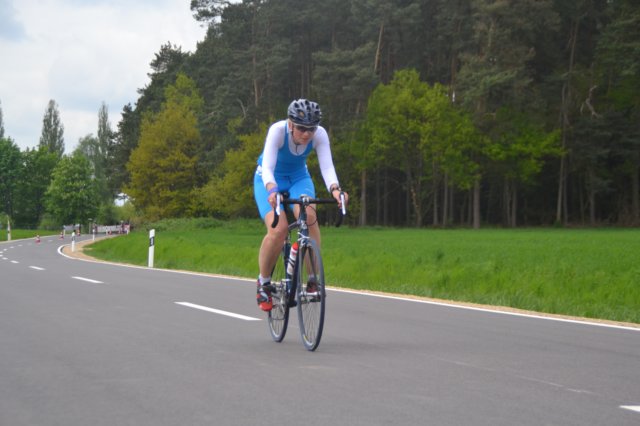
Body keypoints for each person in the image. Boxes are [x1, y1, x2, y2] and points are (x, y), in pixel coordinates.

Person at [253, 99, 348, 311]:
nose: (307, 134)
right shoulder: (278, 131)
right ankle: (264, 282)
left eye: (311, 129)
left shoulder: (320, 135)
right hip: (269, 179)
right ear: (290, 124)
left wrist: (335, 189)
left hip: (298, 178)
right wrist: (272, 190)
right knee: (278, 230)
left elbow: (327, 167)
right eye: (302, 128)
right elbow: (267, 167)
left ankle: (313, 280)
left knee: (310, 217)